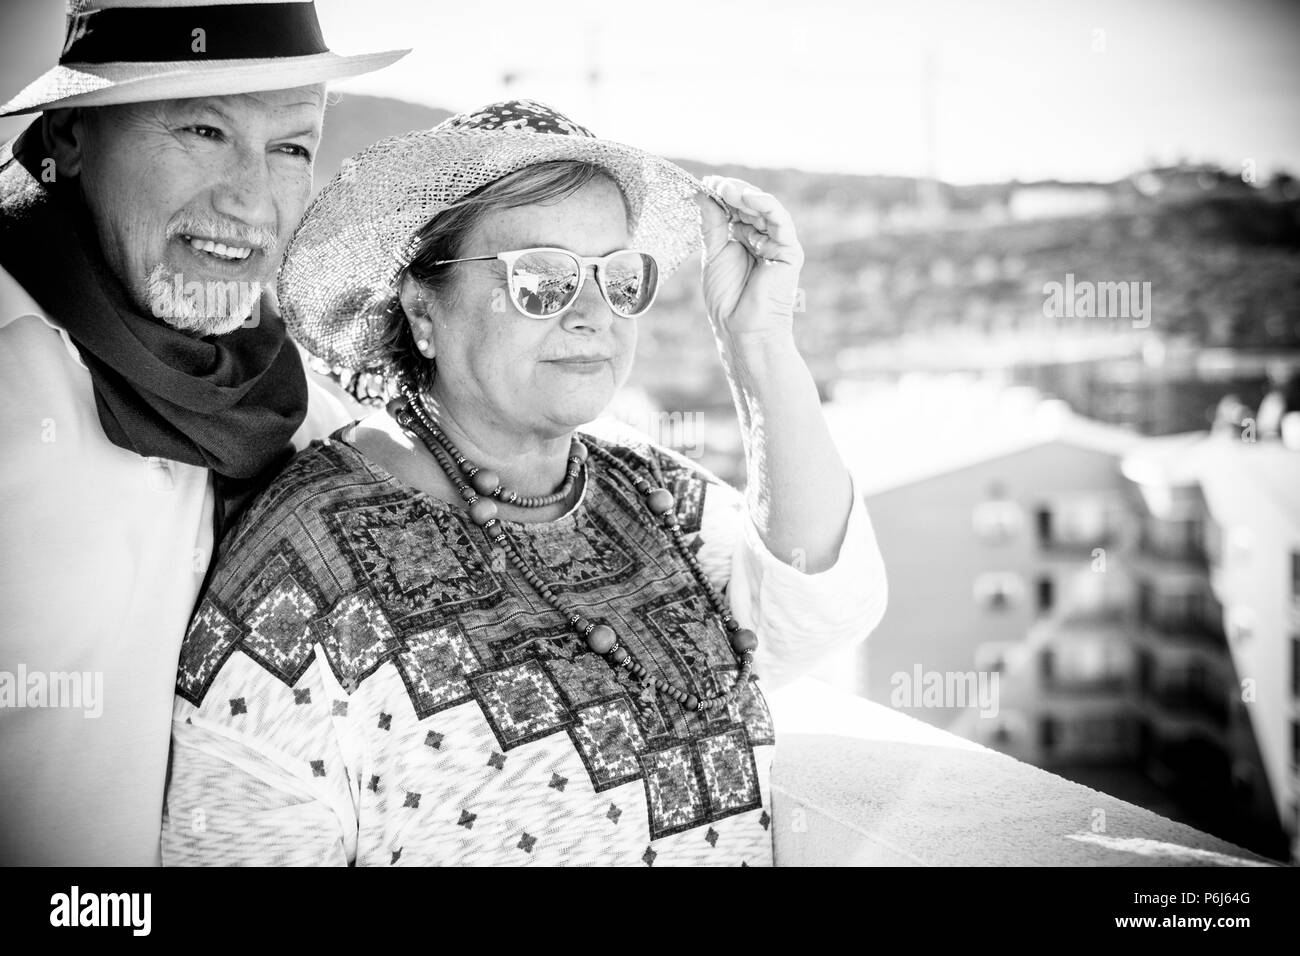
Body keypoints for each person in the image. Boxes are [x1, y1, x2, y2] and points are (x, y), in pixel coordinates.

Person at [162, 99, 887, 866]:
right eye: (542, 278)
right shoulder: (307, 557)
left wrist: (760, 345)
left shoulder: (643, 489)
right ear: (423, 313)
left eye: (618, 277)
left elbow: (815, 608)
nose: (590, 314)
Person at [0, 0, 407, 865]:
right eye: (201, 130)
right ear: (70, 136)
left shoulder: (295, 409)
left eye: (291, 147)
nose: (250, 199)